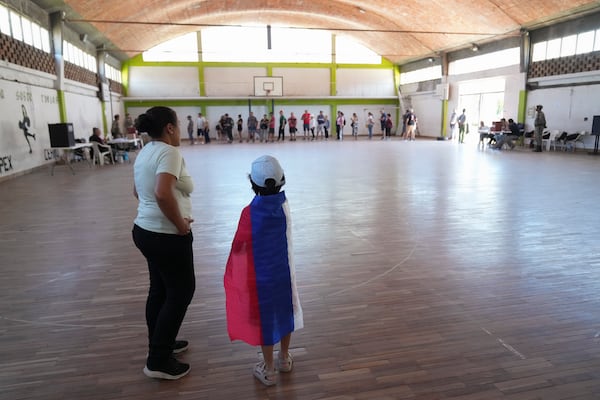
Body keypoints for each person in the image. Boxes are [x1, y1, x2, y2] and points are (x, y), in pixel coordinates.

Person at [224, 155, 303, 387]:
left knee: (266, 321)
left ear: (253, 184)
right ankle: (285, 358)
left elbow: (239, 246)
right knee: (285, 312)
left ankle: (268, 369)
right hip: (284, 274)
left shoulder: (249, 213)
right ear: (282, 181)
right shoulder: (283, 206)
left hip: (260, 280)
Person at [132, 106, 195, 380]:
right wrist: (180, 225)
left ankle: (161, 343)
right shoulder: (170, 152)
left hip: (145, 230)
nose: (179, 129)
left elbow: (138, 191)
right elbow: (161, 192)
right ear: (169, 128)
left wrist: (155, 218)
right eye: (178, 124)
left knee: (160, 290)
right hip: (166, 236)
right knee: (181, 291)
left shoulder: (145, 151)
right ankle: (158, 359)